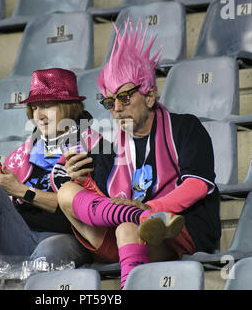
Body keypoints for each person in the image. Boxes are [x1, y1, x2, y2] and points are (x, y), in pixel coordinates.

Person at [55, 20, 221, 289]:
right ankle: (132, 219)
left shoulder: (185, 127)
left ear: (151, 96)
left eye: (124, 97)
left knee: (127, 228)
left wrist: (149, 209)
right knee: (66, 192)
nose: (116, 109)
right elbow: (101, 202)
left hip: (178, 232)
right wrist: (82, 181)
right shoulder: (108, 148)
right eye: (109, 102)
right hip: (127, 231)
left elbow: (197, 185)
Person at [0, 68, 95, 278]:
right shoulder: (24, 154)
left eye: (47, 106)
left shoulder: (92, 148)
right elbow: (10, 200)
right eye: (35, 107)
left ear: (69, 107)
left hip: (69, 237)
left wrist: (21, 190)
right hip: (21, 236)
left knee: (45, 254)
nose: (39, 115)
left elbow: (80, 206)